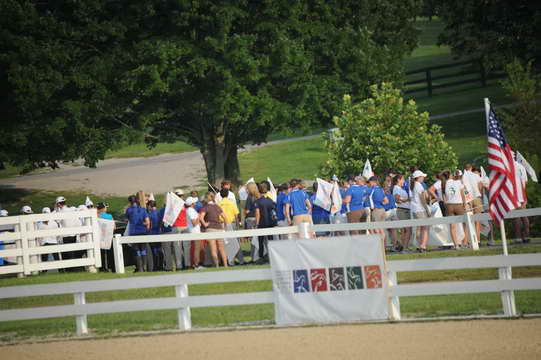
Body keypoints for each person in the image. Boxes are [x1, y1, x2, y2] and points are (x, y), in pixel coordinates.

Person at [199, 192, 227, 267]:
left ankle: (217, 265)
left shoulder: (205, 207)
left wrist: (205, 224)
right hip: (219, 228)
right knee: (222, 248)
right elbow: (225, 218)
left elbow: (201, 217)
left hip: (210, 229)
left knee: (213, 249)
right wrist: (225, 227)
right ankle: (225, 265)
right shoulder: (217, 206)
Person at [444, 170, 469, 249]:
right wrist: (465, 204)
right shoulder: (458, 182)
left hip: (449, 205)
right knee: (465, 223)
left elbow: (445, 196)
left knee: (452, 226)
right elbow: (463, 194)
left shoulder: (444, 183)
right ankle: (464, 242)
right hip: (458, 204)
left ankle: (456, 245)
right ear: (451, 175)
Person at [125, 195, 150, 272]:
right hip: (142, 231)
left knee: (137, 251)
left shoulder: (128, 210)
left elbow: (126, 220)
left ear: (130, 202)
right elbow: (147, 222)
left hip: (133, 232)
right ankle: (144, 267)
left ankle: (140, 268)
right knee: (143, 250)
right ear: (137, 201)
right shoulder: (143, 209)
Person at [164, 189, 188, 271]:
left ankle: (179, 266)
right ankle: (187, 264)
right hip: (185, 226)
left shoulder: (173, 204)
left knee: (177, 248)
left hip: (176, 226)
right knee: (186, 247)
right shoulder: (184, 204)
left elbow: (168, 215)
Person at [254, 182, 277, 264]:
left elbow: (257, 214)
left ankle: (261, 257)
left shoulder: (258, 202)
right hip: (270, 223)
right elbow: (274, 210)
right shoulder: (270, 200)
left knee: (261, 241)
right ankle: (272, 256)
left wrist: (256, 224)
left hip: (261, 224)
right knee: (270, 241)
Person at [218, 188, 241, 266]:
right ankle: (241, 260)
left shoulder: (218, 204)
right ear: (228, 194)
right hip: (232, 223)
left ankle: (230, 261)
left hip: (222, 224)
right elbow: (236, 215)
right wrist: (238, 225)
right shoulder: (232, 203)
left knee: (226, 244)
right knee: (236, 243)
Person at [410, 170, 430, 252]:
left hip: (415, 209)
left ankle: (419, 245)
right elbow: (422, 199)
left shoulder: (413, 185)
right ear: (418, 178)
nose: (423, 178)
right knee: (425, 228)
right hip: (420, 209)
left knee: (419, 228)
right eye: (422, 177)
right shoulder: (419, 185)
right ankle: (423, 246)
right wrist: (427, 209)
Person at [463, 164, 483, 243]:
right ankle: (478, 240)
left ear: (464, 168)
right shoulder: (475, 175)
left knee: (468, 221)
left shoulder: (463, 176)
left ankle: (467, 241)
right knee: (477, 220)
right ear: (471, 168)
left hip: (468, 199)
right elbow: (480, 185)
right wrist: (479, 192)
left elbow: (463, 188)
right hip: (476, 197)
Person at [393, 174, 411, 252]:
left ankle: (404, 247)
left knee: (405, 230)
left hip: (405, 209)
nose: (404, 181)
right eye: (402, 179)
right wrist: (407, 200)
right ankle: (405, 247)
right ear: (398, 180)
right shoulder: (396, 188)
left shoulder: (400, 188)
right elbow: (397, 200)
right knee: (408, 229)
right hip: (402, 210)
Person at [513, 159, 530, 243]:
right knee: (524, 216)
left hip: (515, 195)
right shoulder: (521, 166)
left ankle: (518, 238)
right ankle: (527, 236)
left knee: (517, 217)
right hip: (523, 193)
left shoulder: (509, 166)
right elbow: (526, 181)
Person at [368, 176, 388, 244]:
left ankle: (379, 245)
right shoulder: (381, 189)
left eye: (369, 182)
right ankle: (384, 246)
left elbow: (366, 198)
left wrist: (373, 206)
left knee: (375, 229)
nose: (369, 183)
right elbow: (386, 201)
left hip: (376, 211)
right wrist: (381, 203)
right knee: (381, 229)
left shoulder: (372, 189)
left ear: (373, 182)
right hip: (382, 210)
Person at [185, 197, 203, 269]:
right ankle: (196, 265)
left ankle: (196, 264)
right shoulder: (191, 211)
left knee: (197, 248)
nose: (195, 203)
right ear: (192, 204)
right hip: (194, 232)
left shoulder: (190, 210)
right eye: (194, 202)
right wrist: (199, 217)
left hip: (195, 231)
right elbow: (194, 223)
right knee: (197, 249)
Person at [383, 176, 400, 251]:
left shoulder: (383, 193)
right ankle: (395, 245)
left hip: (388, 212)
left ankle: (384, 246)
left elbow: (385, 205)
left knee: (382, 230)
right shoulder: (390, 193)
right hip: (393, 211)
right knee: (392, 230)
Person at [97, 202, 115, 272]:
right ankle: (111, 267)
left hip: (100, 237)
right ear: (103, 208)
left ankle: (102, 268)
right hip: (108, 237)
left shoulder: (96, 216)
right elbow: (114, 227)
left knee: (101, 253)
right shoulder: (109, 216)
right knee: (109, 253)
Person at [146, 200, 163, 271]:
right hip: (159, 233)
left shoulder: (149, 214)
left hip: (152, 233)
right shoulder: (159, 213)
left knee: (154, 251)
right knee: (159, 250)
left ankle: (155, 267)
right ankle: (161, 265)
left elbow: (148, 225)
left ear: (150, 206)